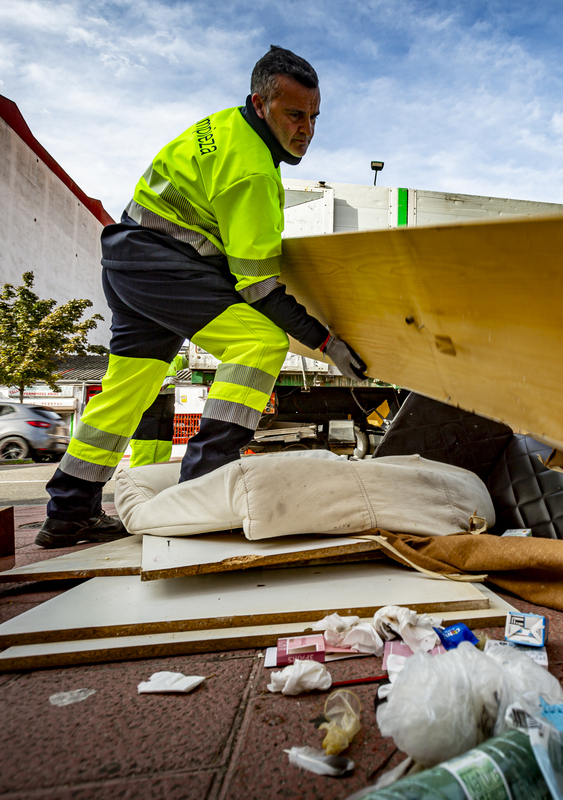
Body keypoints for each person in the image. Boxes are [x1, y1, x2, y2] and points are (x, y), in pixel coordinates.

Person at [37, 46, 365, 549]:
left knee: (126, 393)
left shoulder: (223, 125)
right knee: (259, 343)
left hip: (130, 257)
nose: (307, 129)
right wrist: (325, 343)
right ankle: (203, 486)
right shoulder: (253, 170)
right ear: (261, 104)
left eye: (314, 117)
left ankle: (67, 513)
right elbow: (258, 289)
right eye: (294, 114)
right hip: (160, 264)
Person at [128, 353, 187, 468]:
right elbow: (135, 377)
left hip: (167, 405)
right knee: (144, 446)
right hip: (148, 405)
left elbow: (190, 360)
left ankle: (159, 476)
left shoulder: (173, 356)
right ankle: (139, 478)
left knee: (164, 445)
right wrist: (160, 383)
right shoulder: (144, 353)